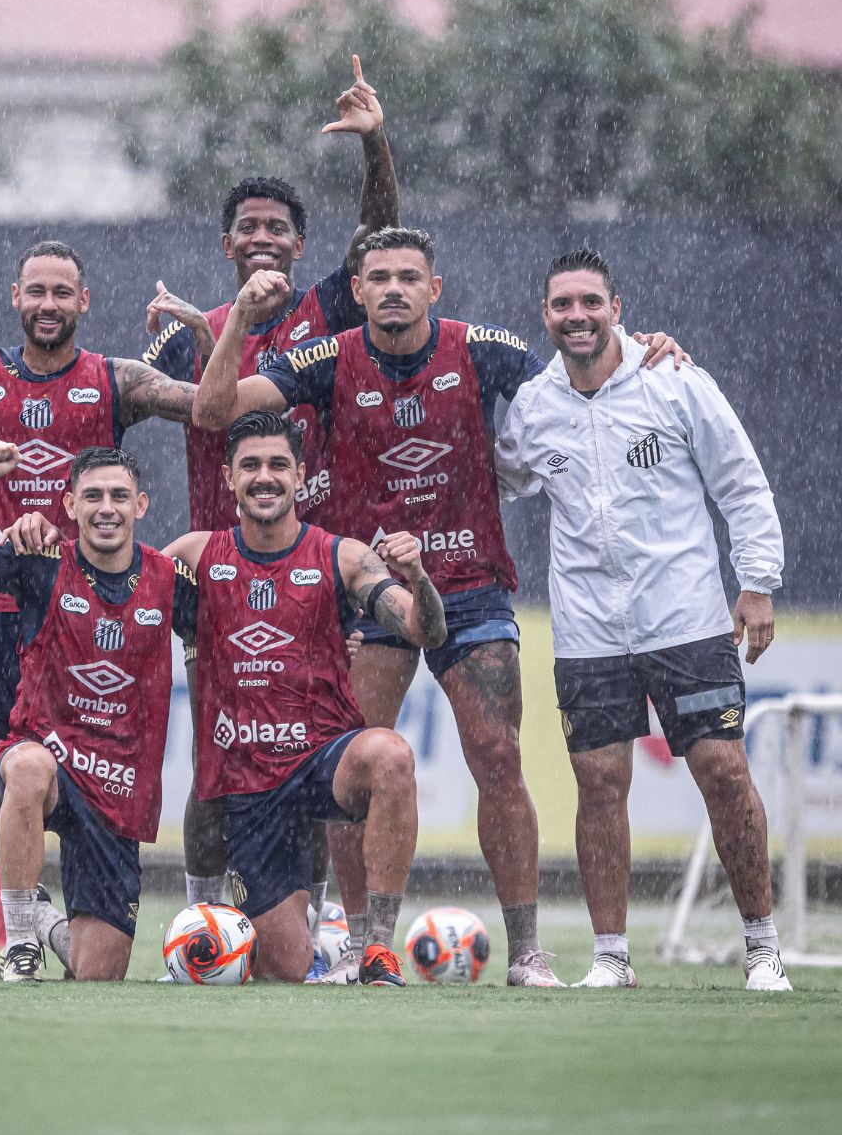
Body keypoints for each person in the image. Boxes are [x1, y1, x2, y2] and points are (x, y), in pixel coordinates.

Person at [192, 228, 687, 985]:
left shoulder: (481, 350)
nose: (393, 288)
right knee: (357, 769)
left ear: (435, 288)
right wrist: (234, 323)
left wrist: (645, 345)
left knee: (498, 758)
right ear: (356, 291)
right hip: (365, 592)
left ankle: (526, 952)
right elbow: (216, 409)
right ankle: (362, 945)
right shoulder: (328, 360)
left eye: (408, 277)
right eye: (378, 277)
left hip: (469, 584)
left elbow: (585, 371)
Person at [142, 54, 399, 926]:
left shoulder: (330, 312)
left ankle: (321, 920)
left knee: (315, 752)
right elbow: (120, 408)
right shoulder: (192, 342)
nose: (262, 237)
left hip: (309, 583)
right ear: (227, 244)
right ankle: (201, 918)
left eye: (278, 227)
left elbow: (380, 244)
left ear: (299, 242)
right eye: (247, 226)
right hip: (216, 583)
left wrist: (374, 148)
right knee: (217, 757)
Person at [495, 249, 790, 991]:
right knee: (597, 784)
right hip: (589, 630)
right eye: (562, 305)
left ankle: (762, 948)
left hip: (687, 618)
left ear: (617, 308)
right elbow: (497, 478)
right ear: (546, 316)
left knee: (723, 772)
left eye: (590, 302)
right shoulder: (534, 405)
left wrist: (757, 583)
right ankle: (611, 959)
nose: (576, 316)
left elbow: (741, 481)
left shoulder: (674, 380)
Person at [0, 241, 199, 978]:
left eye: (63, 293)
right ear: (15, 297)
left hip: (80, 604)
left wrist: (209, 332)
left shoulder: (115, 379)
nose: (48, 305)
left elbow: (209, 406)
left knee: (74, 766)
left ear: (85, 302)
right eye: (36, 292)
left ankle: (51, 918)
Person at [162, 411, 446, 986]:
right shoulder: (193, 555)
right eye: (250, 466)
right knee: (286, 972)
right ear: (228, 478)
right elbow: (115, 596)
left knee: (391, 755)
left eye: (277, 465)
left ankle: (374, 948)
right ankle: (316, 933)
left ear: (300, 476)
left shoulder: (343, 557)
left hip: (320, 763)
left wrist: (419, 579)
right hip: (247, 787)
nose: (264, 477)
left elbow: (425, 630)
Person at [0, 443, 197, 982]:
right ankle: (20, 941)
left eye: (119, 496)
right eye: (91, 496)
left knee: (99, 975)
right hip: (50, 764)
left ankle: (40, 915)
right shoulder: (39, 562)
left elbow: (231, 636)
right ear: (68, 506)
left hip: (117, 791)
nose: (106, 508)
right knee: (25, 768)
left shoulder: (167, 580)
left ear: (142, 505)